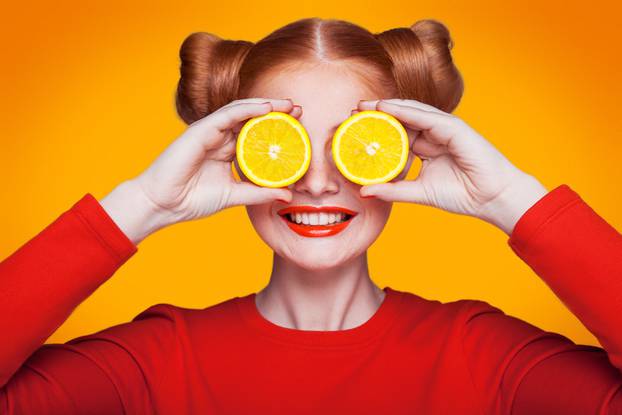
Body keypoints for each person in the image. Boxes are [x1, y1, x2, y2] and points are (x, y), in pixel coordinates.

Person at [1, 17, 621, 415]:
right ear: (238, 158)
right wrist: (143, 203)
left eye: (354, 147)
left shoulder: (483, 355)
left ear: (404, 154)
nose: (319, 183)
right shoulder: (157, 360)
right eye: (282, 148)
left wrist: (510, 198)